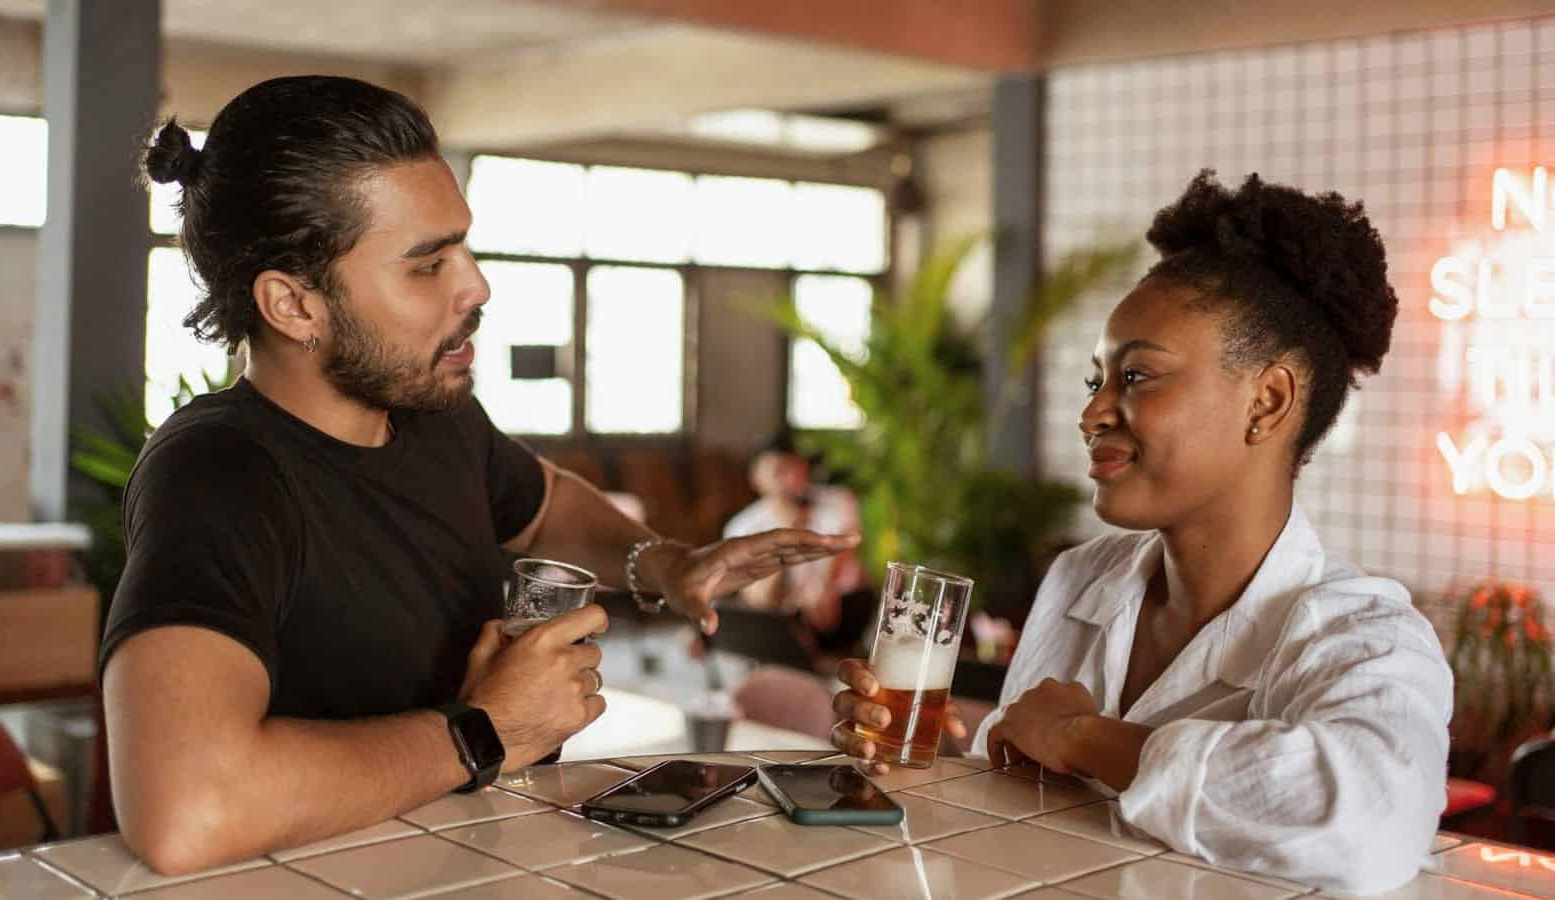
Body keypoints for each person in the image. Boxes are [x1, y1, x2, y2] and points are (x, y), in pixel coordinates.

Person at [101, 75, 858, 875]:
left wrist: (670, 564)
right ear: (294, 305)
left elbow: (545, 504)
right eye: (427, 266)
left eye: (461, 244)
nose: (477, 285)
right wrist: (484, 730)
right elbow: (186, 809)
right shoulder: (220, 475)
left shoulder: (433, 415)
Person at [828, 171, 1452, 894]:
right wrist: (925, 768)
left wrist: (1083, 738)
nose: (1094, 413)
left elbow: (1366, 823)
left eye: (1138, 377)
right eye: (1097, 380)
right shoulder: (1081, 580)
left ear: (1267, 401)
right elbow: (1036, 820)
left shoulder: (1362, 634)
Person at [722, 445, 864, 639]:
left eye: (796, 468)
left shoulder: (839, 500)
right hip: (779, 621)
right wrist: (786, 542)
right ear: (756, 479)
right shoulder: (742, 529)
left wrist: (824, 585)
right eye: (779, 471)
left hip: (842, 609)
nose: (791, 479)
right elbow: (761, 601)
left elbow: (849, 547)